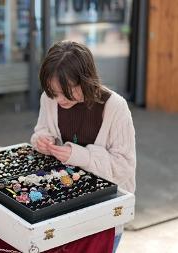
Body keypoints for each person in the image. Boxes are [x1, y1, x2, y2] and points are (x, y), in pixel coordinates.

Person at [30, 41, 136, 252]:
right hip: (61, 207)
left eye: (65, 92)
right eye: (52, 92)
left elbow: (123, 167)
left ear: (85, 81)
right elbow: (41, 131)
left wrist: (79, 155)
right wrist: (42, 141)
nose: (58, 99)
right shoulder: (49, 99)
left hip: (103, 212)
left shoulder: (115, 107)